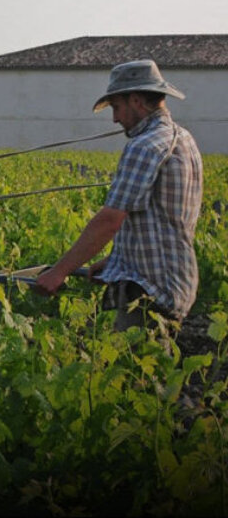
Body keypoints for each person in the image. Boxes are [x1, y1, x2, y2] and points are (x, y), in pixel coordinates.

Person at [33, 59, 203, 331]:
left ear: (136, 100)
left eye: (116, 107)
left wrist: (59, 272)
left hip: (149, 289)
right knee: (144, 368)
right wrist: (115, 261)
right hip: (173, 279)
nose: (114, 118)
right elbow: (160, 217)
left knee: (134, 369)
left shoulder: (144, 145)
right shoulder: (183, 138)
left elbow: (110, 219)